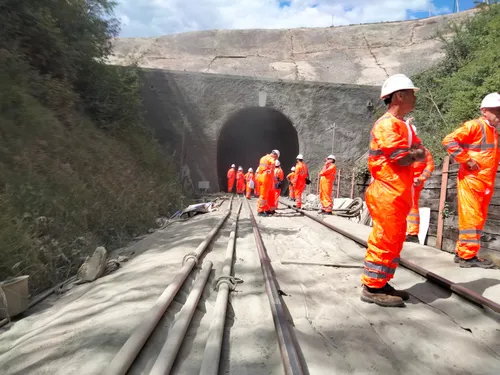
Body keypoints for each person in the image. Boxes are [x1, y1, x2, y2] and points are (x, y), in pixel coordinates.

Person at [361, 73, 427, 307]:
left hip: (398, 193)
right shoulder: (386, 125)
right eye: (411, 93)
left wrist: (415, 154)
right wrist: (414, 154)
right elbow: (401, 158)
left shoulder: (405, 127)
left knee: (395, 239)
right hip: (387, 192)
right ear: (399, 95)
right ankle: (371, 286)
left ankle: (382, 282)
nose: (414, 98)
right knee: (384, 239)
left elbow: (422, 153)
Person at [442, 92, 500, 269]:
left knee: (477, 218)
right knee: (472, 217)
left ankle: (463, 252)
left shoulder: (493, 132)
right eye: (496, 111)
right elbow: (449, 140)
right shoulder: (475, 126)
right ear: (484, 111)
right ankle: (467, 256)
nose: (499, 115)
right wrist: (466, 160)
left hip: (484, 182)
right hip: (471, 180)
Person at [405, 124, 435, 243]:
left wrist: (421, 178)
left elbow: (429, 167)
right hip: (407, 182)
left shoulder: (421, 151)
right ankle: (409, 233)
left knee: (411, 206)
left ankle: (412, 234)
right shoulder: (419, 150)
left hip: (413, 183)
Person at [257, 150, 280, 216]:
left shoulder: (263, 158)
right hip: (266, 177)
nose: (275, 160)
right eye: (276, 158)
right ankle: (260, 211)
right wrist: (272, 169)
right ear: (275, 155)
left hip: (264, 177)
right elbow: (272, 162)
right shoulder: (271, 158)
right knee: (264, 195)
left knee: (270, 194)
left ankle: (269, 209)